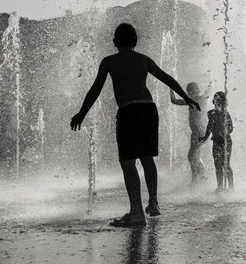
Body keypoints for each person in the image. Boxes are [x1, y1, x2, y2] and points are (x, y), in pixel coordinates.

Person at [70, 23, 199, 227]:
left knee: (128, 162)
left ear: (114, 42)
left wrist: (82, 113)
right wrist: (187, 98)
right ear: (136, 41)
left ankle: (137, 214)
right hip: (149, 109)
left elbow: (95, 89)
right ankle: (154, 204)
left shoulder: (109, 62)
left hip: (129, 110)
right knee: (147, 159)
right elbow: (167, 78)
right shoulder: (143, 60)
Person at [170, 82, 210, 184]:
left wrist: (211, 83)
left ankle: (199, 178)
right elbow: (173, 101)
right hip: (196, 132)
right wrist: (171, 89)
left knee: (192, 156)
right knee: (194, 156)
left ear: (196, 90)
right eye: (188, 92)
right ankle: (198, 178)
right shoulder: (191, 100)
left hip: (199, 131)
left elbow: (208, 93)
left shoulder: (199, 99)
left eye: (190, 91)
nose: (188, 94)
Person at [199, 91, 233, 193]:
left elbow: (231, 128)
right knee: (217, 164)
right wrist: (205, 137)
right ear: (214, 102)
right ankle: (220, 187)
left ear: (224, 102)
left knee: (225, 164)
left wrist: (223, 133)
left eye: (221, 100)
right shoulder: (211, 113)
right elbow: (210, 126)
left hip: (226, 141)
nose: (218, 102)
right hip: (216, 141)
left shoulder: (226, 114)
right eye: (216, 100)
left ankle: (231, 187)